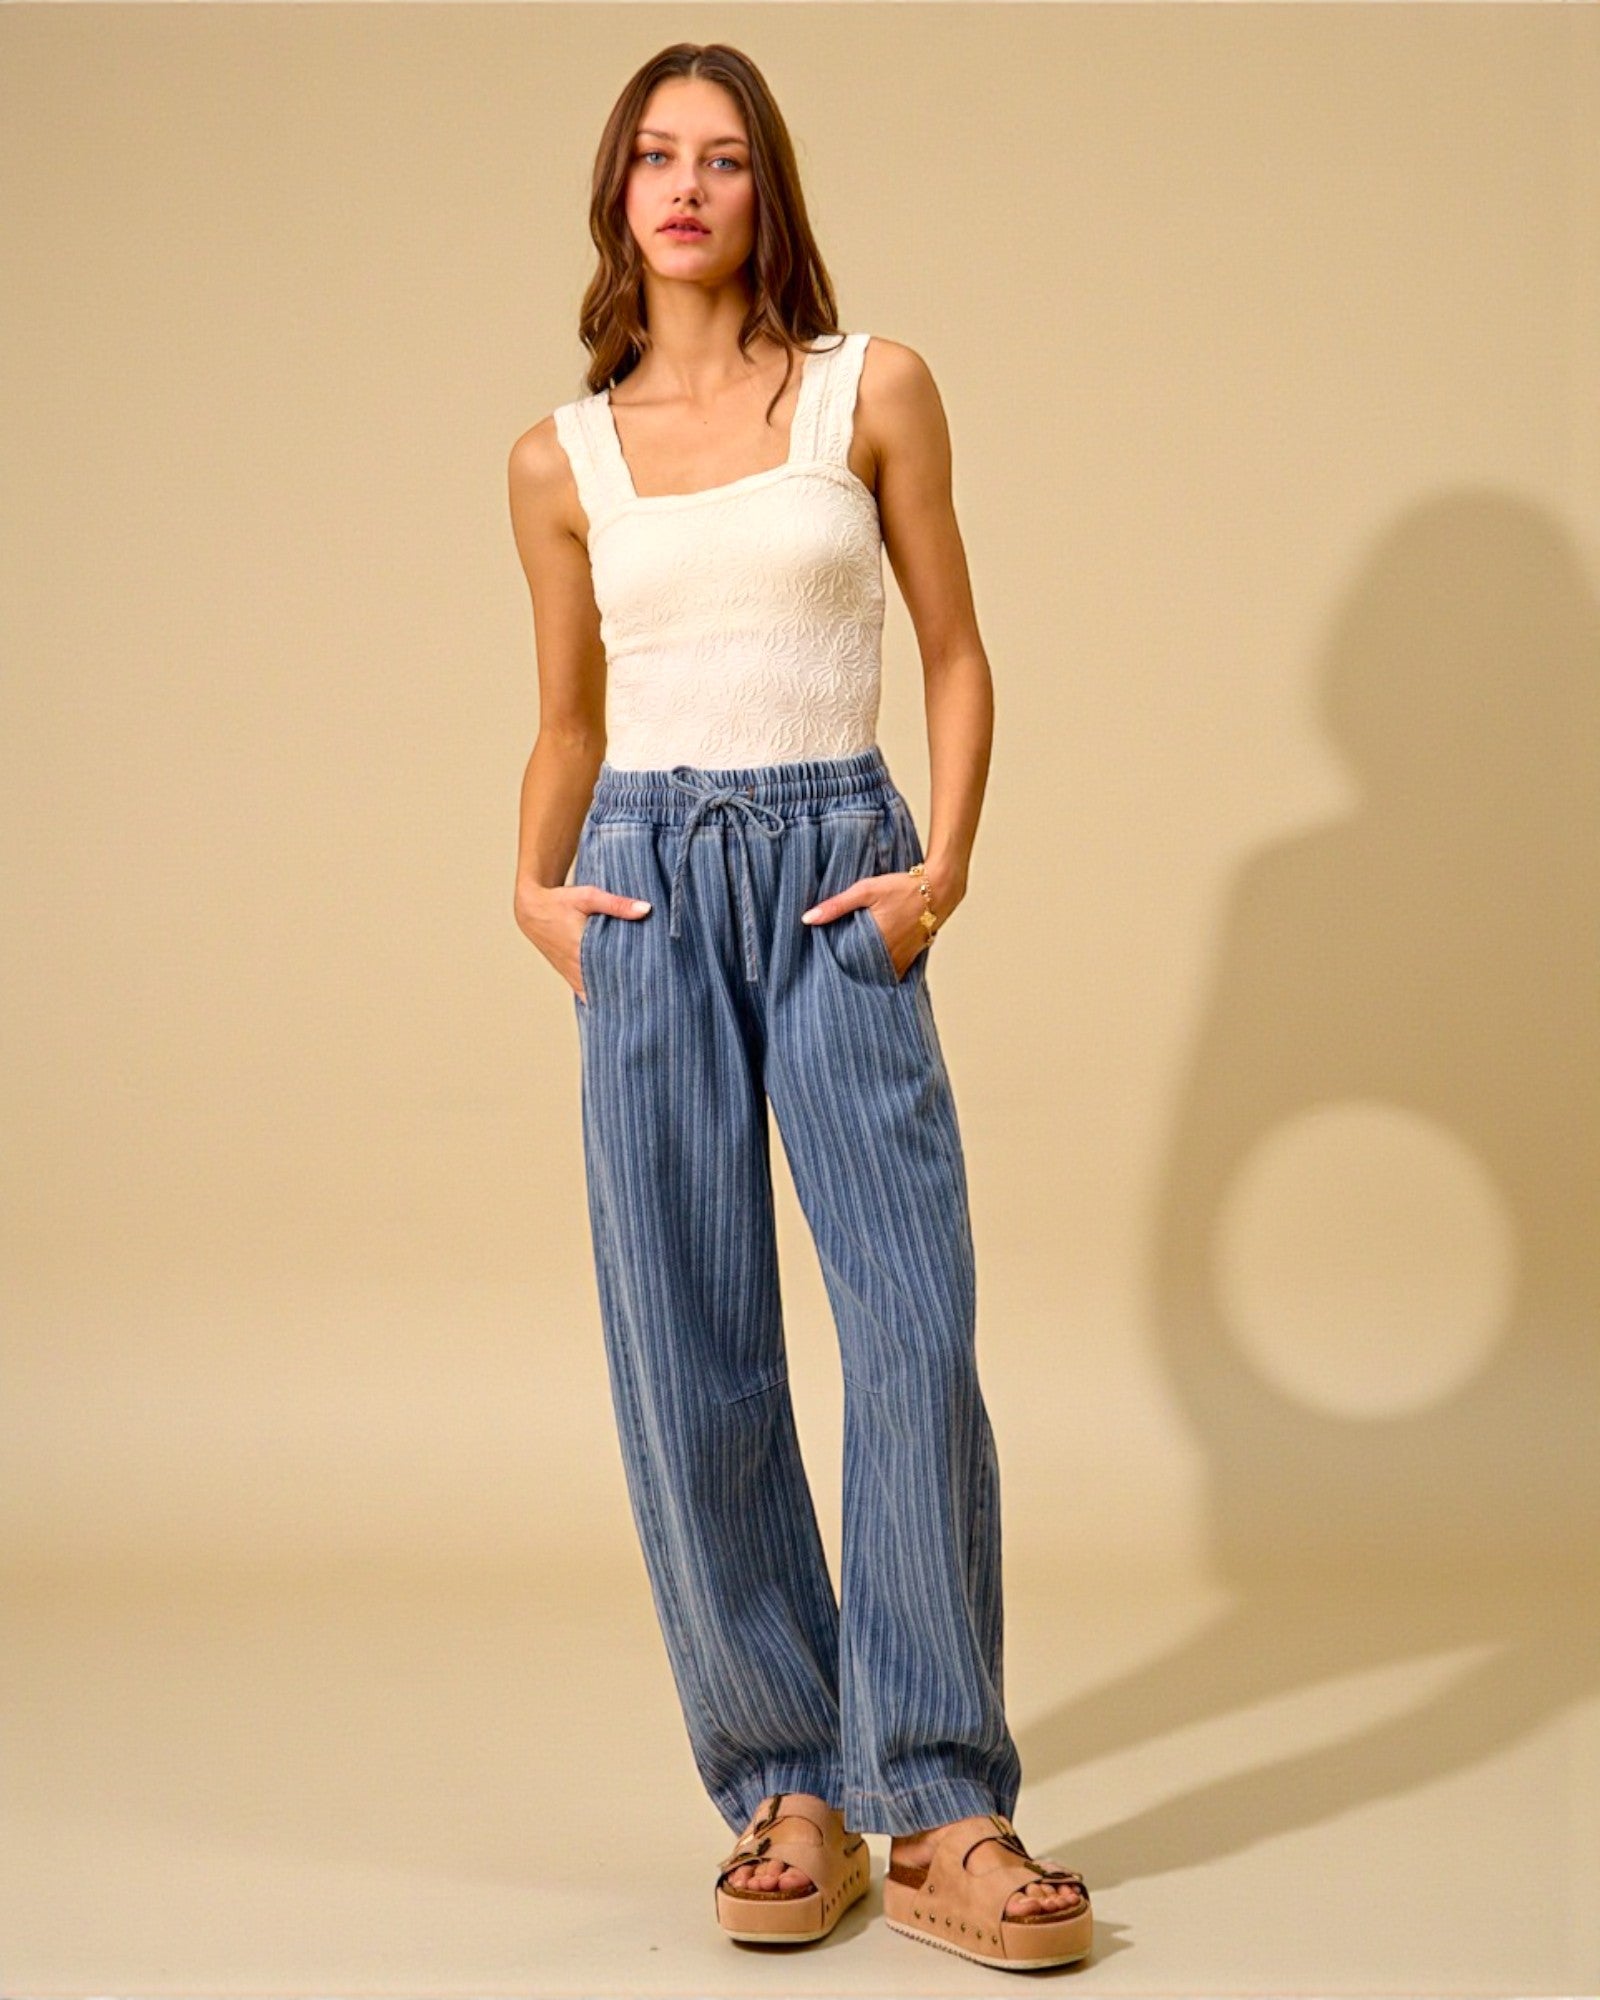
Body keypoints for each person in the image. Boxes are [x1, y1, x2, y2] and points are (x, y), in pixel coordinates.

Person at [506, 42, 1092, 1975]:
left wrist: (945, 868)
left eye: (726, 158)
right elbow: (572, 720)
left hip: (841, 870)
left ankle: (943, 1802)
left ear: (770, 194)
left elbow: (955, 646)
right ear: (618, 193)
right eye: (658, 157)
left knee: (913, 1320)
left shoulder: (872, 390)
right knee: (694, 1341)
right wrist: (533, 885)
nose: (688, 186)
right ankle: (790, 1784)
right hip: (651, 889)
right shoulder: (560, 457)